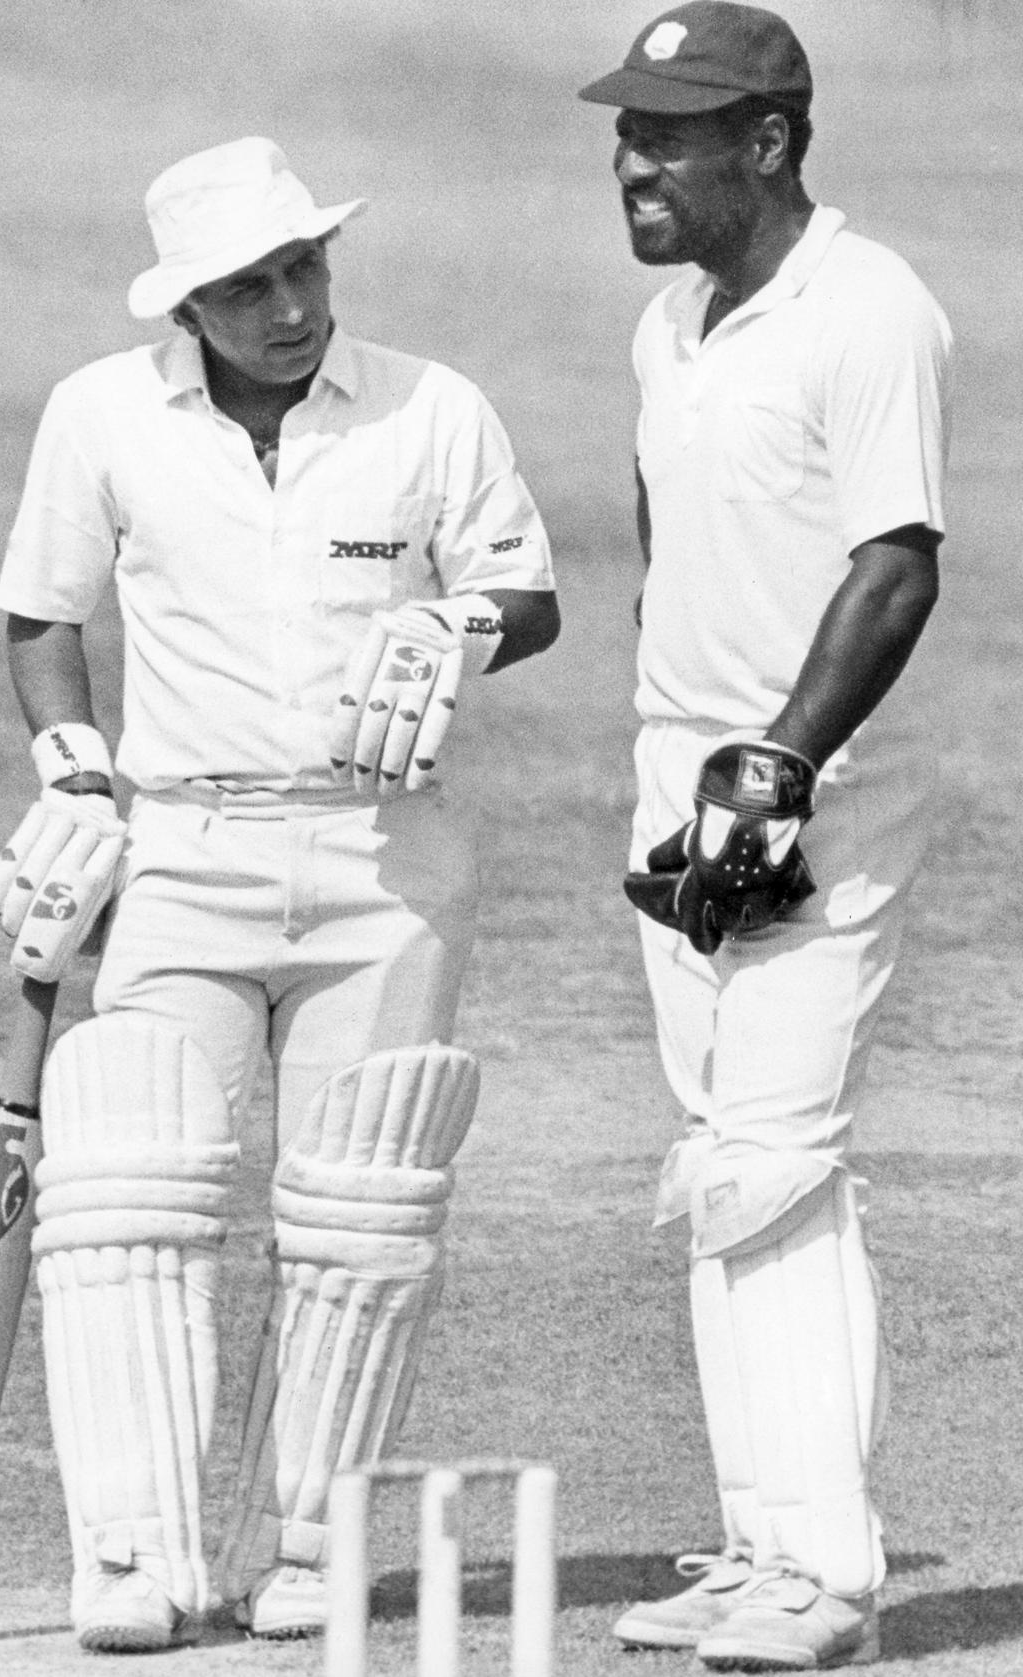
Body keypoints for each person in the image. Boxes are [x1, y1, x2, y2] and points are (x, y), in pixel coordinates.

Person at [0, 135, 559, 1652]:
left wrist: (459, 625)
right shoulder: (101, 413)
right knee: (130, 1196)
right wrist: (72, 768)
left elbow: (528, 586)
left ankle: (315, 1543)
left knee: (359, 1213)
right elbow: (43, 612)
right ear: (190, 306)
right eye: (250, 289)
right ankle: (137, 1551)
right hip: (180, 848)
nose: (292, 307)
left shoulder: (432, 406)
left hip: (387, 859)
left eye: (305, 269)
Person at [579, 4, 952, 1669]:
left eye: (669, 137)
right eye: (628, 134)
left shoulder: (868, 312)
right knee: (720, 1155)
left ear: (774, 143)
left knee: (772, 1158)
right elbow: (671, 546)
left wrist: (780, 758)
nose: (633, 165)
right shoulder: (676, 327)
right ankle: (759, 1547)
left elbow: (895, 565)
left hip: (820, 790)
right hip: (686, 782)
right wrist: (683, 764)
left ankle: (829, 1575)